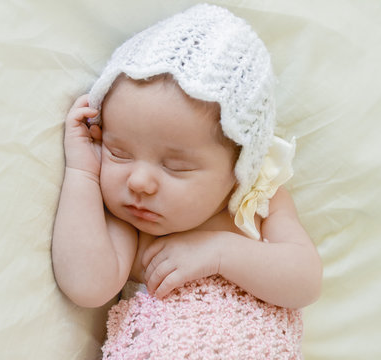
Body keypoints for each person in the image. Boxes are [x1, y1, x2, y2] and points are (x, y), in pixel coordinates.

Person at [52, 4, 322, 359]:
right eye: (119, 152)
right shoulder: (134, 226)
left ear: (239, 168)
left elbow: (305, 282)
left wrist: (220, 253)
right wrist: (83, 172)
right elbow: (86, 285)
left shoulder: (258, 203)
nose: (140, 181)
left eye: (175, 167)